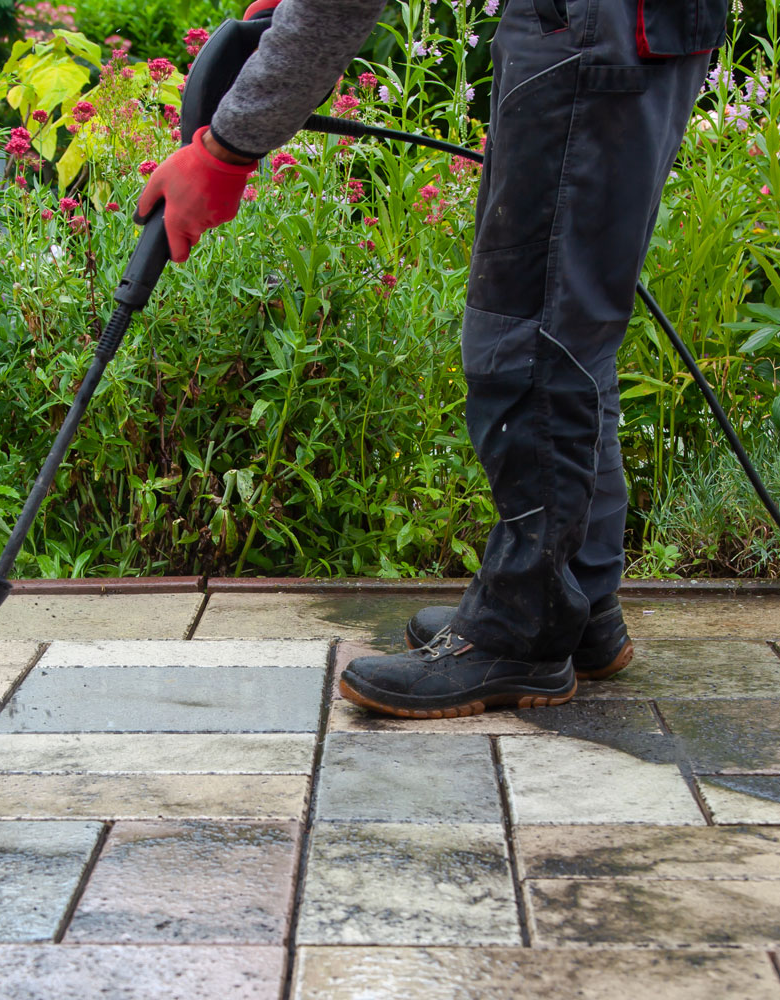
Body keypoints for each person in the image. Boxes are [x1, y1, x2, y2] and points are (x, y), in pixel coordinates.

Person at [138, 0, 728, 718]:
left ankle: (523, 628)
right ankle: (578, 603)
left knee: (526, 333)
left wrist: (225, 149)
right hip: (627, 27)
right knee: (569, 326)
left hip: (588, 31)